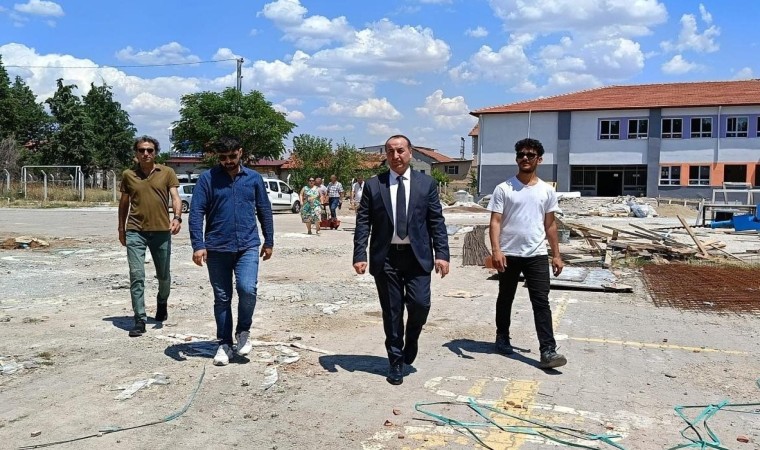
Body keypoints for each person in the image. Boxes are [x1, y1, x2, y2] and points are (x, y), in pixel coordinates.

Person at [353, 135, 450, 385]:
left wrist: (442, 254)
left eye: (400, 151)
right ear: (386, 155)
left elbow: (436, 221)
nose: (395, 156)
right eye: (390, 152)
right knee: (392, 311)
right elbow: (363, 222)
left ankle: (412, 337)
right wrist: (360, 254)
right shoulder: (374, 185)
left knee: (420, 304)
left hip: (417, 257)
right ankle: (395, 360)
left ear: (410, 153)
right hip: (386, 258)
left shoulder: (426, 184)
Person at [189, 137, 274, 366]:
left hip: (247, 245)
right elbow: (196, 212)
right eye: (223, 157)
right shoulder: (207, 179)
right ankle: (224, 343)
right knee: (222, 297)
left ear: (240, 152)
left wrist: (269, 240)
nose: (228, 161)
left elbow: (264, 210)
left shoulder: (253, 179)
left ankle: (243, 331)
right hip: (217, 247)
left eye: (232, 156)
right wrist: (198, 245)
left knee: (247, 289)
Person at [487, 137, 567, 370]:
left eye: (530, 155)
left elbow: (550, 224)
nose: (525, 158)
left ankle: (548, 351)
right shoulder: (504, 188)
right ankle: (502, 337)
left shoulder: (547, 191)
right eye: (521, 154)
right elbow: (495, 221)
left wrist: (556, 254)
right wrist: (496, 251)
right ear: (516, 158)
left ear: (539, 160)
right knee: (506, 297)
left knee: (541, 301)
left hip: (536, 254)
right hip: (508, 254)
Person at [118, 136, 182, 337]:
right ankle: (140, 319)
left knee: (163, 275)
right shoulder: (128, 175)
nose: (145, 153)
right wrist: (121, 229)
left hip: (161, 231)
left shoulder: (167, 172)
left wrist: (177, 217)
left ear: (155, 153)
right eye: (141, 150)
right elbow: (124, 203)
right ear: (136, 153)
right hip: (135, 231)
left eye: (150, 150)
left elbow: (175, 197)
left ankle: (162, 302)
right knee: (137, 275)